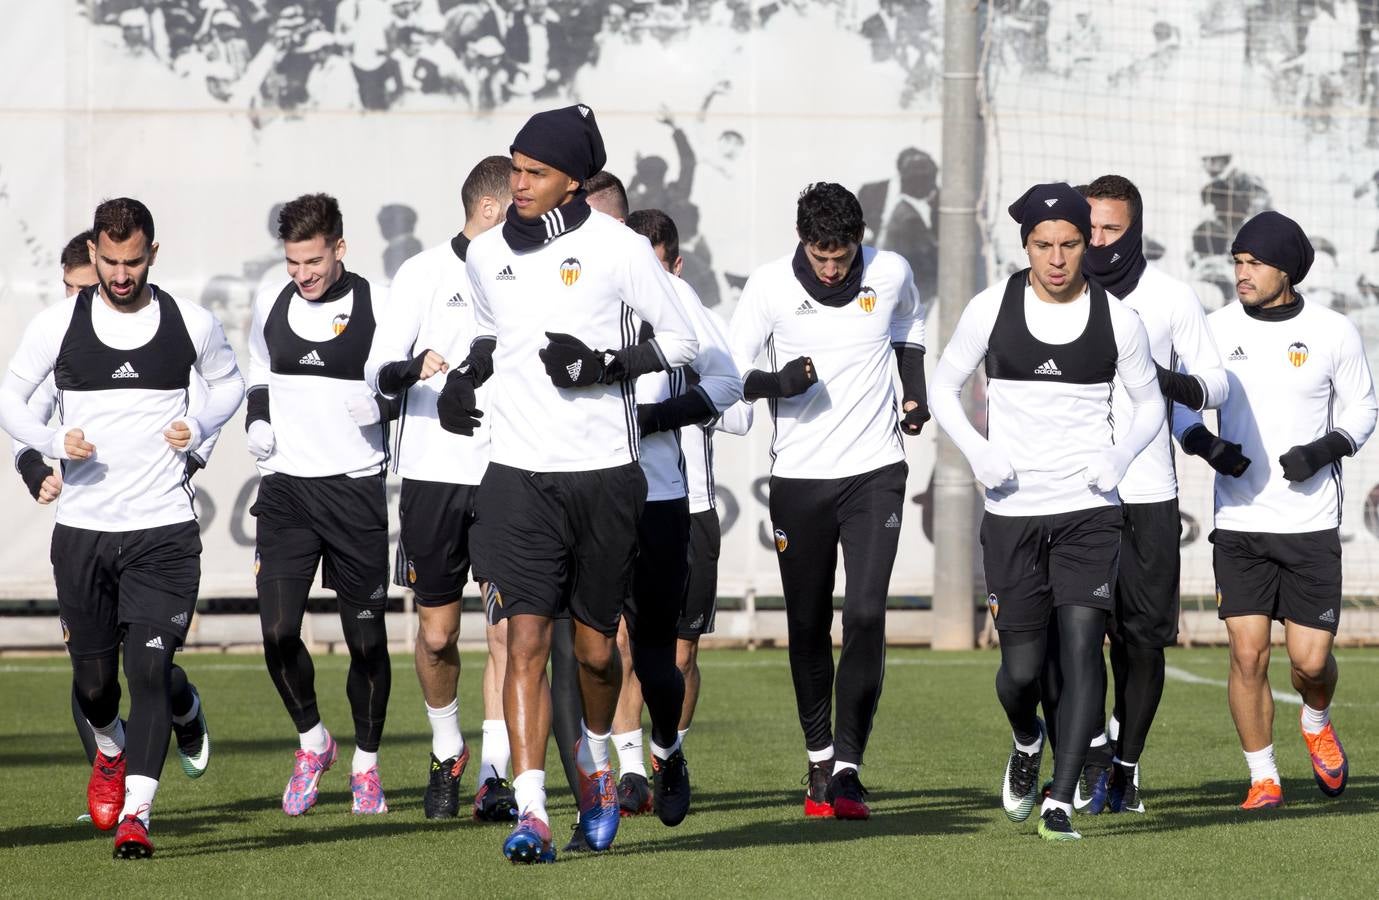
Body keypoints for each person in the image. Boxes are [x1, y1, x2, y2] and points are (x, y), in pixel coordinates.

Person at [436, 104, 699, 863]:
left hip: (603, 478)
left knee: (592, 652)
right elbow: (489, 331)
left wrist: (608, 365)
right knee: (521, 637)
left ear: (572, 182)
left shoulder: (616, 248)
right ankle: (531, 811)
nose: (517, 183)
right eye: (514, 167)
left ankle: (589, 761)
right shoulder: (485, 254)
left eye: (534, 173)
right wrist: (465, 377)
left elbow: (680, 340)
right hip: (515, 473)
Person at [0, 198, 244, 858]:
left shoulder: (190, 322)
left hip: (162, 530)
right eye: (109, 261)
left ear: (152, 254)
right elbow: (8, 395)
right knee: (94, 685)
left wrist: (199, 427)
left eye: (132, 261)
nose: (120, 273)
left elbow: (229, 386)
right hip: (82, 533)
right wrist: (50, 441)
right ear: (95, 255)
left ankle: (138, 813)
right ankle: (111, 747)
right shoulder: (60, 324)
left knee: (148, 665)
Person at [928, 183, 1163, 841]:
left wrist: (1117, 461)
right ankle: (1027, 738)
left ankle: (1060, 799)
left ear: (1086, 243)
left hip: (1089, 509)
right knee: (1021, 672)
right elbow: (942, 386)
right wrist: (978, 453)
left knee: (1085, 644)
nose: (1056, 258)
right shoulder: (989, 308)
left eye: (1068, 244)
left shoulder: (1118, 319)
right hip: (1011, 512)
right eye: (1043, 245)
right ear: (1025, 245)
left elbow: (1148, 404)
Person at [728, 182, 929, 821]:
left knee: (866, 614)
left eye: (843, 255)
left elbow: (910, 325)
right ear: (802, 242)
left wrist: (914, 392)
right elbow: (729, 374)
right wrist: (776, 384)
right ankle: (818, 759)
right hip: (800, 480)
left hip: (876, 472)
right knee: (808, 622)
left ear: (859, 241)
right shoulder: (768, 288)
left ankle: (848, 769)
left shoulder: (892, 271)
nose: (833, 268)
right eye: (822, 256)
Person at [1173, 212, 1376, 811]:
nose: (1242, 273)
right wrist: (1209, 447)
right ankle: (1263, 776)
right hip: (1238, 525)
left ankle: (1315, 720)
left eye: (1254, 263)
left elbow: (1363, 409)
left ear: (1286, 269)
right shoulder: (1211, 330)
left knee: (1311, 662)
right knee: (1246, 653)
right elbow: (1183, 406)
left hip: (1310, 524)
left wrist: (1324, 450)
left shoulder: (1334, 331)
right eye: (1237, 262)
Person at [1068, 175, 1229, 815]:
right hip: (1072, 496)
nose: (1097, 242)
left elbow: (1216, 385)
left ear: (1134, 230)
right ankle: (1091, 750)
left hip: (1149, 496)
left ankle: (1127, 766)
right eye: (1090, 229)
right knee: (1074, 638)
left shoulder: (1171, 299)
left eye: (1111, 229)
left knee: (1142, 641)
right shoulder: (1052, 294)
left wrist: (1161, 378)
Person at [364, 155, 518, 822]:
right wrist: (411, 367)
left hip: (509, 471)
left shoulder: (525, 273)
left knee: (511, 633)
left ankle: (494, 772)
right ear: (490, 209)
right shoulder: (424, 272)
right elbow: (377, 370)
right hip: (432, 476)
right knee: (437, 636)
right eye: (522, 202)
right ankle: (447, 749)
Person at [246, 193, 394, 818]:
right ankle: (313, 743)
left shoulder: (377, 302)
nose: (302, 274)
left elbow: (410, 374)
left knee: (364, 642)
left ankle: (366, 764)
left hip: (354, 487)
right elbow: (258, 364)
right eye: (292, 262)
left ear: (339, 247)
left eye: (312, 260)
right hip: (285, 488)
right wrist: (258, 418)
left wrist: (382, 402)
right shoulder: (270, 297)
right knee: (278, 632)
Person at [617, 207, 749, 817]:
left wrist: (677, 407)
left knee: (679, 654)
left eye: (655, 264)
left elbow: (739, 407)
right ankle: (627, 773)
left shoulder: (693, 315)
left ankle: (669, 754)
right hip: (615, 500)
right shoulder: (606, 311)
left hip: (688, 504)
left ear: (674, 262)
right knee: (617, 647)